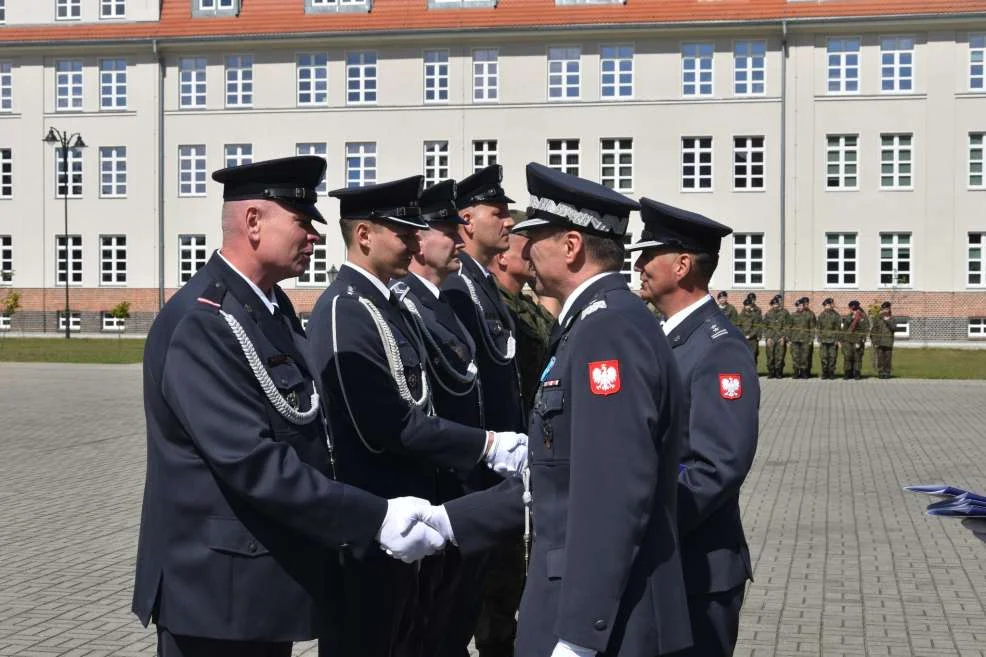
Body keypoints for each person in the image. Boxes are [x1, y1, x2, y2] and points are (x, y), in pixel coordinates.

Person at [132, 156, 445, 657]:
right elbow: (253, 463)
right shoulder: (204, 322)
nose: (315, 237)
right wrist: (373, 517)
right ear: (253, 222)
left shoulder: (267, 309)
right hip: (216, 596)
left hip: (256, 586)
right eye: (301, 222)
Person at [456, 163, 693, 657]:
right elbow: (561, 476)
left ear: (570, 246)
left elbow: (612, 491)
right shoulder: (596, 322)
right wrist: (447, 522)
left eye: (535, 236)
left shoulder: (608, 330)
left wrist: (581, 636)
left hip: (602, 619)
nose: (522, 248)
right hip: (585, 603)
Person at [306, 174, 527, 657]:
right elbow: (384, 423)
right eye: (402, 232)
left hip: (410, 518)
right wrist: (486, 445)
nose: (414, 240)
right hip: (375, 518)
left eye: (414, 231)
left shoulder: (387, 306)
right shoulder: (347, 309)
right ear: (364, 235)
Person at [629, 198, 759, 657]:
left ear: (682, 264)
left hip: (698, 569)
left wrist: (644, 523)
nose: (639, 264)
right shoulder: (668, 335)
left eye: (649, 254)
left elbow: (718, 465)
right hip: (670, 560)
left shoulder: (718, 349)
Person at [387, 178, 486, 657]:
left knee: (452, 620)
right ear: (420, 239)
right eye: (447, 229)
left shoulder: (443, 301)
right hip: (436, 491)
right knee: (428, 628)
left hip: (461, 486)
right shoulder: (409, 304)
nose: (460, 240)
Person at [440, 164, 527, 657]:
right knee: (476, 608)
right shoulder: (458, 289)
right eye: (499, 213)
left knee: (499, 605)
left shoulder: (482, 285)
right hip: (480, 472)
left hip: (501, 469)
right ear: (468, 220)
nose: (509, 223)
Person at [762, 295, 790, 379]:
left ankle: (779, 372)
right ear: (772, 305)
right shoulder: (768, 313)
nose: (775, 306)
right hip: (771, 338)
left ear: (779, 304)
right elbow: (764, 326)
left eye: (777, 304)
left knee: (780, 356)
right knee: (770, 356)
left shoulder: (785, 313)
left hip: (780, 338)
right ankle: (771, 372)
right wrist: (768, 337)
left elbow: (787, 326)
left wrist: (784, 337)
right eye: (774, 304)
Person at [842, 300, 869, 380]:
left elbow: (865, 330)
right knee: (847, 357)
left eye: (853, 309)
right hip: (848, 340)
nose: (852, 311)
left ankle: (857, 373)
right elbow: (844, 329)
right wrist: (842, 340)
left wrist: (860, 341)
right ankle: (847, 373)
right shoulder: (849, 316)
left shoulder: (863, 317)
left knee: (857, 358)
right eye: (851, 309)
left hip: (858, 340)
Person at [816, 298, 842, 380]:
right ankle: (824, 373)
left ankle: (831, 373)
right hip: (823, 340)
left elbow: (838, 329)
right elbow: (818, 328)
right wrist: (819, 339)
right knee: (824, 357)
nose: (827, 307)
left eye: (829, 305)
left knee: (832, 357)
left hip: (832, 340)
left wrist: (837, 340)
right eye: (826, 305)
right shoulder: (821, 315)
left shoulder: (836, 315)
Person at [788, 297, 814, 379]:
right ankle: (796, 372)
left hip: (805, 339)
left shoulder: (809, 315)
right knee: (795, 357)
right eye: (797, 306)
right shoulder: (793, 315)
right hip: (795, 339)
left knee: (804, 357)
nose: (799, 307)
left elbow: (812, 328)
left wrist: (811, 339)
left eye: (800, 305)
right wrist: (789, 339)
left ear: (803, 305)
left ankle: (804, 372)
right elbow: (789, 327)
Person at [736, 293, 762, 368]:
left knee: (754, 354)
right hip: (743, 337)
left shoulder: (756, 313)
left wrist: (753, 335)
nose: (748, 307)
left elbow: (757, 325)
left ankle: (753, 371)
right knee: (743, 354)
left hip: (753, 337)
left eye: (749, 305)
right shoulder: (741, 315)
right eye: (746, 305)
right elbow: (738, 326)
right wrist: (743, 335)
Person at [871, 301, 896, 379]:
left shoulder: (892, 318)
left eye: (887, 309)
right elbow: (873, 331)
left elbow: (894, 328)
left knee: (887, 359)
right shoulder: (877, 318)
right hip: (879, 342)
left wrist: (887, 320)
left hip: (888, 342)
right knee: (880, 359)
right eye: (884, 309)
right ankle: (881, 372)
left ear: (889, 309)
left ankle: (887, 372)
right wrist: (874, 341)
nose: (885, 310)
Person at [801, 297, 817, 378]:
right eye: (804, 304)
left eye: (807, 303)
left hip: (807, 339)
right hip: (798, 339)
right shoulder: (798, 313)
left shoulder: (811, 314)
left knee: (807, 356)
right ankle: (800, 372)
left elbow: (812, 328)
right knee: (799, 356)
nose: (805, 305)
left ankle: (806, 372)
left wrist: (811, 339)